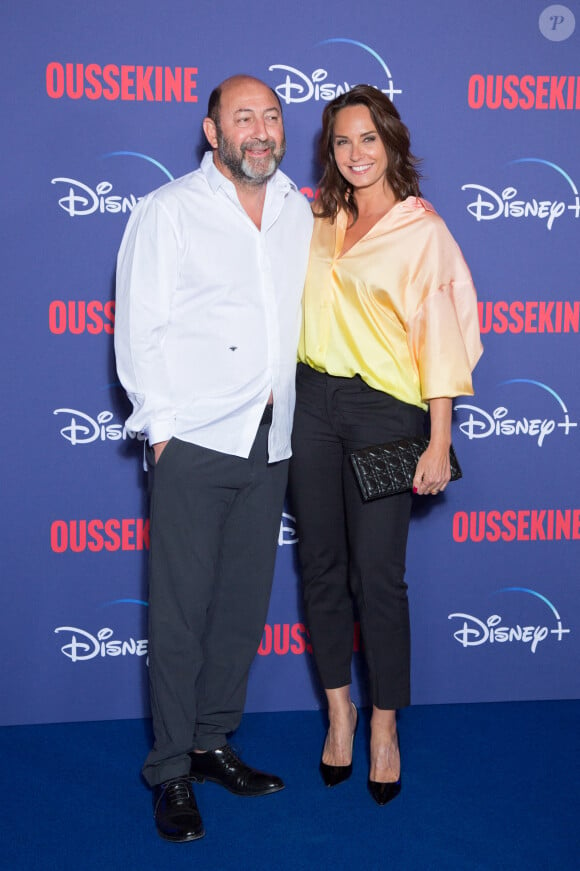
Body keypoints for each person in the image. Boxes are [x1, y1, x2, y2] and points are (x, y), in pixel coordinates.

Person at [114, 74, 313, 842]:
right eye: (243, 118)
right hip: (195, 439)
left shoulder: (301, 209)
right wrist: (163, 432)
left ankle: (211, 741)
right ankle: (169, 769)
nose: (259, 131)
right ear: (212, 130)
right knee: (180, 616)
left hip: (271, 439)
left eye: (271, 117)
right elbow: (141, 331)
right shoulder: (167, 211)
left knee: (239, 609)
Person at [289, 85, 482, 806]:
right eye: (342, 141)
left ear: (392, 142)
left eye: (368, 138)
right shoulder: (316, 219)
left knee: (378, 576)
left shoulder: (421, 230)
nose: (356, 153)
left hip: (387, 413)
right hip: (311, 404)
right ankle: (337, 712)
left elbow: (441, 337)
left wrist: (440, 437)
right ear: (329, 151)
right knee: (320, 564)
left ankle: (382, 726)